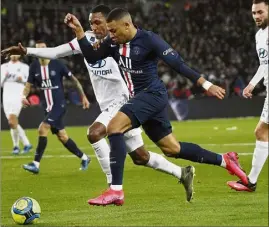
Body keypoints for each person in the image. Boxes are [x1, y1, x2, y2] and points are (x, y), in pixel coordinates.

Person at [1, 4, 197, 198]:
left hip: (125, 100)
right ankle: (182, 173)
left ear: (110, 22)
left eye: (98, 23)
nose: (94, 27)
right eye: (90, 24)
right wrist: (26, 51)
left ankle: (113, 187)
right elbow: (56, 52)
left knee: (94, 133)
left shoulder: (120, 40)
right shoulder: (86, 41)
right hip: (108, 104)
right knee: (140, 157)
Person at [63, 8, 248, 206]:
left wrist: (206, 84)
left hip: (152, 94)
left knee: (114, 128)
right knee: (172, 148)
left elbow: (178, 64)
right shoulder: (113, 42)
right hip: (140, 98)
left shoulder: (149, 40)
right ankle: (225, 160)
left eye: (114, 31)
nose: (111, 35)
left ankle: (115, 190)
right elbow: (92, 57)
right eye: (110, 31)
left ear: (127, 25)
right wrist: (80, 33)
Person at [21, 40, 91, 174]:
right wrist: (23, 97)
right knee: (62, 136)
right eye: (38, 49)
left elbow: (74, 80)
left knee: (42, 129)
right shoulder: (34, 67)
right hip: (47, 107)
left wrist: (83, 97)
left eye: (44, 48)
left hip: (59, 105)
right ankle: (84, 158)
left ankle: (35, 164)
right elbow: (28, 85)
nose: (41, 52)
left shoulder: (57, 64)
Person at [227, 0, 268, 192]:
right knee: (262, 132)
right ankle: (250, 181)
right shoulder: (259, 36)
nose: (257, 16)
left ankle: (250, 181)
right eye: (254, 13)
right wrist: (251, 84)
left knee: (261, 132)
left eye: (260, 12)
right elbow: (264, 64)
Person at [1, 55, 32, 154]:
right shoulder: (3, 67)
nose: (14, 55)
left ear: (19, 55)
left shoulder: (24, 67)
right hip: (6, 96)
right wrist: (5, 76)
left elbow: (28, 82)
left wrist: (21, 78)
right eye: (12, 53)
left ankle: (26, 143)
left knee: (12, 120)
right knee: (13, 123)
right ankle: (16, 146)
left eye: (16, 53)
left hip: (18, 95)